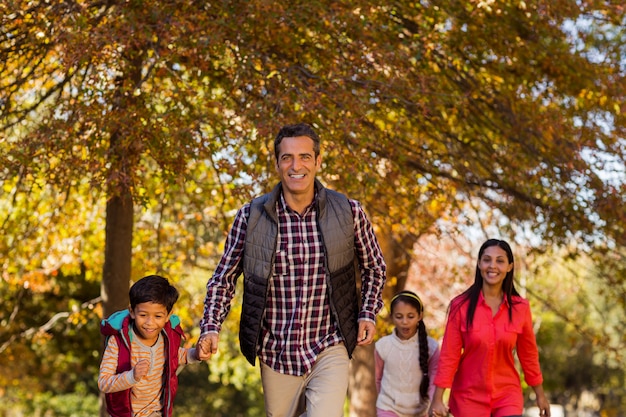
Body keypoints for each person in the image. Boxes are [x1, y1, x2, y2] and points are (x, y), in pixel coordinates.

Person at [198, 122, 387, 417]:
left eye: (304, 157)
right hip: (276, 352)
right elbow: (223, 279)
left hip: (330, 343)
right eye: (287, 157)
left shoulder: (349, 212)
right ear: (277, 163)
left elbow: (375, 267)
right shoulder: (251, 217)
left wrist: (367, 313)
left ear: (318, 161)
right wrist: (210, 327)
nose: (296, 165)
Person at [429, 239, 551, 417]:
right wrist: (437, 398)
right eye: (487, 260)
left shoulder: (520, 308)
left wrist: (540, 395)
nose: (492, 266)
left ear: (509, 266)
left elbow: (529, 355)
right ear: (479, 264)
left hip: (507, 395)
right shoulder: (460, 306)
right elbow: (449, 355)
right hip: (468, 397)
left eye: (500, 261)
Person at [98, 274, 210, 417]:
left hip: (158, 412)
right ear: (132, 311)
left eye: (158, 316)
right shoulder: (118, 342)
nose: (150, 323)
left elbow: (174, 355)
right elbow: (103, 382)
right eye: (143, 315)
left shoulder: (167, 337)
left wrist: (195, 354)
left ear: (168, 315)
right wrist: (132, 376)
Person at [375, 290, 440, 417]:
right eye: (399, 317)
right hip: (388, 409)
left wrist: (433, 406)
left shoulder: (432, 347)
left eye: (410, 316)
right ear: (392, 317)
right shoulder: (383, 346)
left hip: (422, 411)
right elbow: (378, 379)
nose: (404, 322)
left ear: (420, 316)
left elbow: (434, 380)